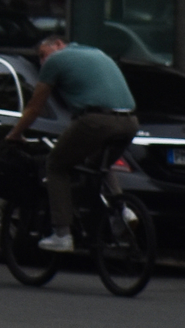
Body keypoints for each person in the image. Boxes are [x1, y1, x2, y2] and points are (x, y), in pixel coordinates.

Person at [2, 33, 138, 253]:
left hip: (95, 120)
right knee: (98, 165)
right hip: (130, 121)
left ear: (58, 44)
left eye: (43, 54)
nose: (42, 61)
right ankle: (121, 212)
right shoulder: (97, 53)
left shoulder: (56, 60)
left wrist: (15, 134)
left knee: (56, 165)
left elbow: (35, 107)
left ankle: (62, 234)